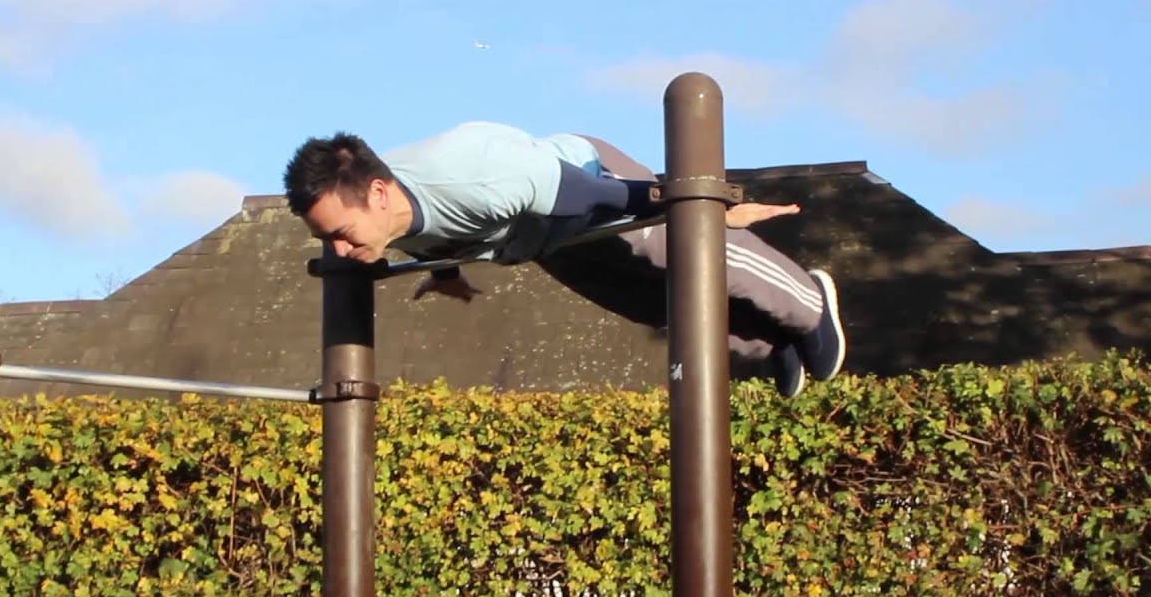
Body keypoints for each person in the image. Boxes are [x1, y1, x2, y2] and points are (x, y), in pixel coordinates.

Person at [282, 121, 845, 397]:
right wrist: (446, 274)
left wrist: (695, 209)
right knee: (648, 305)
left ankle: (808, 306)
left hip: (586, 183)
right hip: (542, 239)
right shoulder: (379, 223)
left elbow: (597, 196)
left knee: (686, 254)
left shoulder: (479, 174)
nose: (339, 252)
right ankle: (771, 341)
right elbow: (431, 232)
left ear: (378, 194)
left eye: (340, 234)